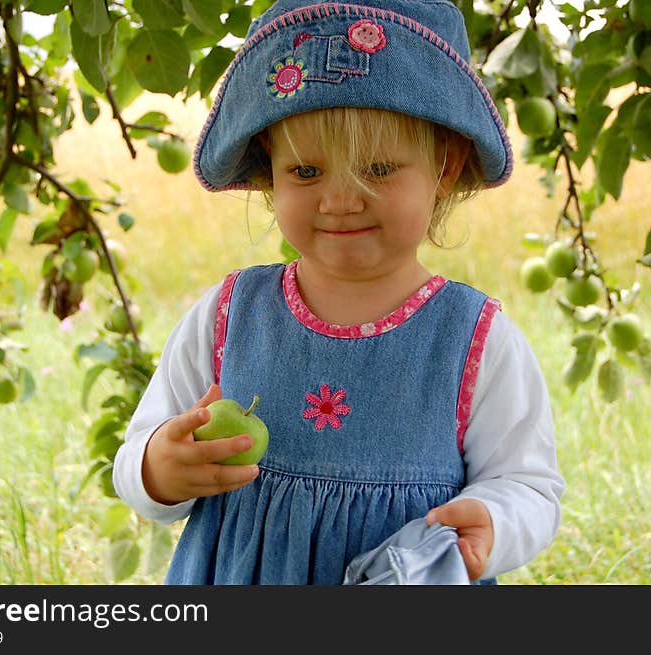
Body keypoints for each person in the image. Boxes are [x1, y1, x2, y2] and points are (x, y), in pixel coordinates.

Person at [113, 0, 565, 585]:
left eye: (377, 169)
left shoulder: (473, 337)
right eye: (306, 172)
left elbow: (528, 483)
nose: (340, 200)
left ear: (445, 167)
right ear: (270, 171)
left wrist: (491, 522)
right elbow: (137, 456)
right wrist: (158, 470)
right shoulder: (229, 316)